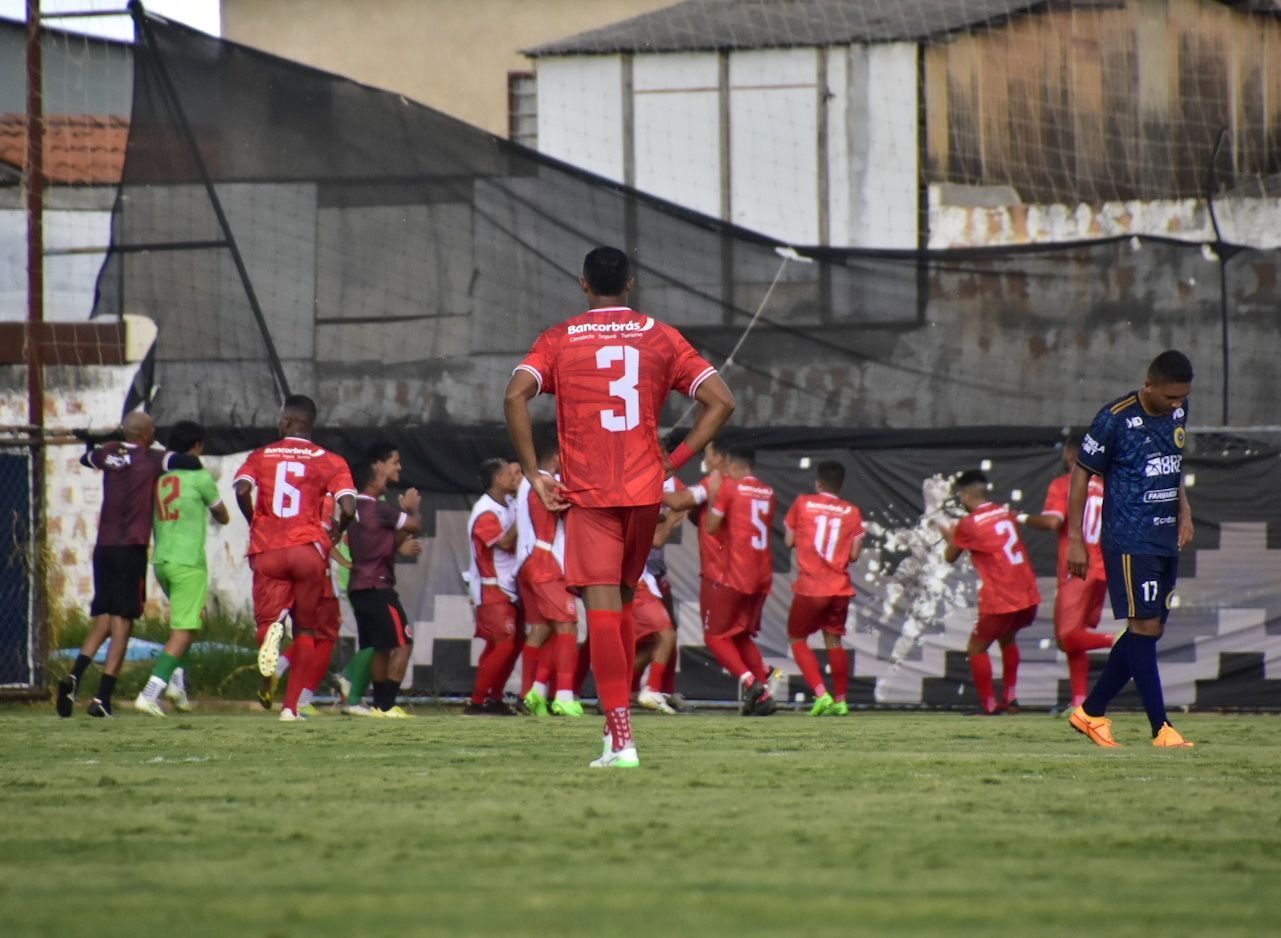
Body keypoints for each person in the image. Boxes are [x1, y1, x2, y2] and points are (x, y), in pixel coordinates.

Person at [505, 245, 733, 767]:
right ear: (631, 284)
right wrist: (673, 459)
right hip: (645, 493)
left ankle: (623, 739)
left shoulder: (559, 338)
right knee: (624, 607)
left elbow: (515, 395)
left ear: (583, 284)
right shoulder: (661, 335)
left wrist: (538, 474)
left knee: (603, 615)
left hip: (590, 494)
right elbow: (722, 400)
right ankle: (614, 734)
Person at [1067, 350, 1196, 748]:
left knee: (1150, 629)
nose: (1177, 404)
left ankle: (1091, 712)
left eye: (1182, 397)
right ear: (1148, 386)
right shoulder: (1115, 418)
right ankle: (1162, 728)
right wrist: (1076, 538)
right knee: (1143, 626)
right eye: (1170, 396)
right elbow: (1080, 474)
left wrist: (1185, 510)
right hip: (1128, 536)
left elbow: (1170, 465)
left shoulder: (1178, 411)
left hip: (1164, 534)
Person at [57, 411, 203, 718]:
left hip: (103, 547)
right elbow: (190, 462)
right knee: (123, 622)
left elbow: (87, 459)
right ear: (148, 433)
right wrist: (166, 453)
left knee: (103, 620)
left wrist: (101, 440)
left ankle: (74, 676)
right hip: (131, 548)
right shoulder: (153, 458)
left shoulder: (109, 452)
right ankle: (102, 698)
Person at [233, 395, 356, 722]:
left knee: (267, 624)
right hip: (308, 550)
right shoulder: (330, 460)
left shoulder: (261, 455)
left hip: (269, 549)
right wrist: (336, 534)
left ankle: (271, 639)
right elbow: (348, 508)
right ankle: (290, 709)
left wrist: (254, 522)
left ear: (286, 421)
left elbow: (242, 490)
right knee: (305, 631)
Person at [133, 421, 230, 716]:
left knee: (185, 624)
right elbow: (223, 515)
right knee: (185, 630)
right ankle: (150, 693)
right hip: (188, 562)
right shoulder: (199, 476)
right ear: (197, 446)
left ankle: (177, 686)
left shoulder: (160, 478)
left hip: (162, 561)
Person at [1020, 436, 1114, 709]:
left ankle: (1120, 640)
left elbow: (1053, 521)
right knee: (1076, 638)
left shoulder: (1065, 483)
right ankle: (1080, 702)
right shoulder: (1106, 486)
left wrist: (1020, 517)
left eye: (1065, 452)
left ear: (1072, 454)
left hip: (1077, 567)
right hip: (1101, 569)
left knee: (1066, 637)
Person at [938, 470, 1041, 715]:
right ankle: (1010, 698)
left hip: (1001, 595)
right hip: (1027, 590)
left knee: (976, 648)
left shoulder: (969, 523)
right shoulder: (1004, 512)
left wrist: (949, 537)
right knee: (1008, 639)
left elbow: (950, 557)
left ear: (965, 494)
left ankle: (990, 706)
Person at [783, 460, 864, 716]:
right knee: (834, 641)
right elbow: (854, 555)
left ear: (818, 483)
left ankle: (821, 695)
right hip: (839, 587)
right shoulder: (852, 511)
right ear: (840, 486)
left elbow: (788, 541)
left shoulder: (803, 503)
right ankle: (840, 700)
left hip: (811, 585)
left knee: (797, 638)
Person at [347, 444, 422, 718]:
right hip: (378, 586)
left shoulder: (354, 507)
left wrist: (398, 541)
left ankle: (379, 705)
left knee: (381, 646)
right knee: (405, 642)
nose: (399, 468)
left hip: (358, 588)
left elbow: (386, 544)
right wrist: (411, 509)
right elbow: (414, 526)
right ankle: (387, 704)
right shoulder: (378, 508)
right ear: (376, 470)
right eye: (395, 462)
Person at [704, 445, 779, 716]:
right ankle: (766, 696)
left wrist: (714, 494)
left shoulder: (729, 488)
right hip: (762, 576)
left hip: (737, 574)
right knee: (740, 634)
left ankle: (752, 684)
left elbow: (712, 527)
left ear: (732, 466)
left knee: (714, 636)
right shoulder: (768, 492)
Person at [515, 435, 584, 718]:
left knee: (546, 630)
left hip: (528, 562)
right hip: (545, 562)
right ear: (558, 455)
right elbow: (581, 500)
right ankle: (564, 696)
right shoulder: (546, 482)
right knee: (568, 627)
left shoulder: (527, 482)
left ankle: (534, 692)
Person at [464, 458, 524, 716]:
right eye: (510, 474)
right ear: (498, 479)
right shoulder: (485, 511)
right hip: (492, 586)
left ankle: (495, 697)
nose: (514, 477)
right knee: (504, 644)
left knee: (511, 643)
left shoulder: (508, 503)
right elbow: (504, 544)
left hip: (510, 586)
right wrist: (527, 513)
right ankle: (476, 702)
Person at [632, 500, 686, 715]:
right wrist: (671, 518)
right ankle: (653, 689)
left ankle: (620, 691)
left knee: (651, 643)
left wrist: (666, 517)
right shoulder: (629, 509)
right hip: (635, 584)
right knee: (667, 634)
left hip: (638, 581)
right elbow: (656, 540)